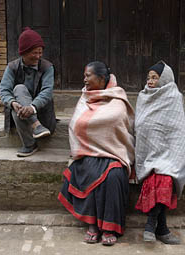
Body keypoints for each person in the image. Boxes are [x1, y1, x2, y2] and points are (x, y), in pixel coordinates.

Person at [58, 61, 135, 246]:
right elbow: (76, 125)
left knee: (114, 175)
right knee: (89, 173)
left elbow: (121, 126)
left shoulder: (117, 98)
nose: (84, 79)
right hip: (87, 152)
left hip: (114, 152)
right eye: (84, 75)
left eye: (88, 75)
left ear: (101, 79)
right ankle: (92, 224)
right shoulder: (84, 97)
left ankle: (109, 228)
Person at [134, 61, 185, 245]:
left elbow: (176, 131)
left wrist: (172, 157)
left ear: (164, 79)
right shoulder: (143, 96)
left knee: (166, 177)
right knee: (155, 177)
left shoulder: (173, 97)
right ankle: (162, 230)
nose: (150, 81)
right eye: (148, 77)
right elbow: (140, 126)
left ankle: (150, 226)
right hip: (149, 153)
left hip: (171, 153)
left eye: (155, 78)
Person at [0, 27, 56, 157]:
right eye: (34, 53)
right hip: (21, 113)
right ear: (23, 53)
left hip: (42, 114)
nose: (38, 56)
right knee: (18, 90)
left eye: (40, 52)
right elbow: (4, 90)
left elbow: (47, 91)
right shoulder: (12, 67)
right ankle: (32, 137)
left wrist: (33, 107)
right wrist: (12, 102)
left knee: (19, 93)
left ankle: (36, 128)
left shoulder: (47, 67)